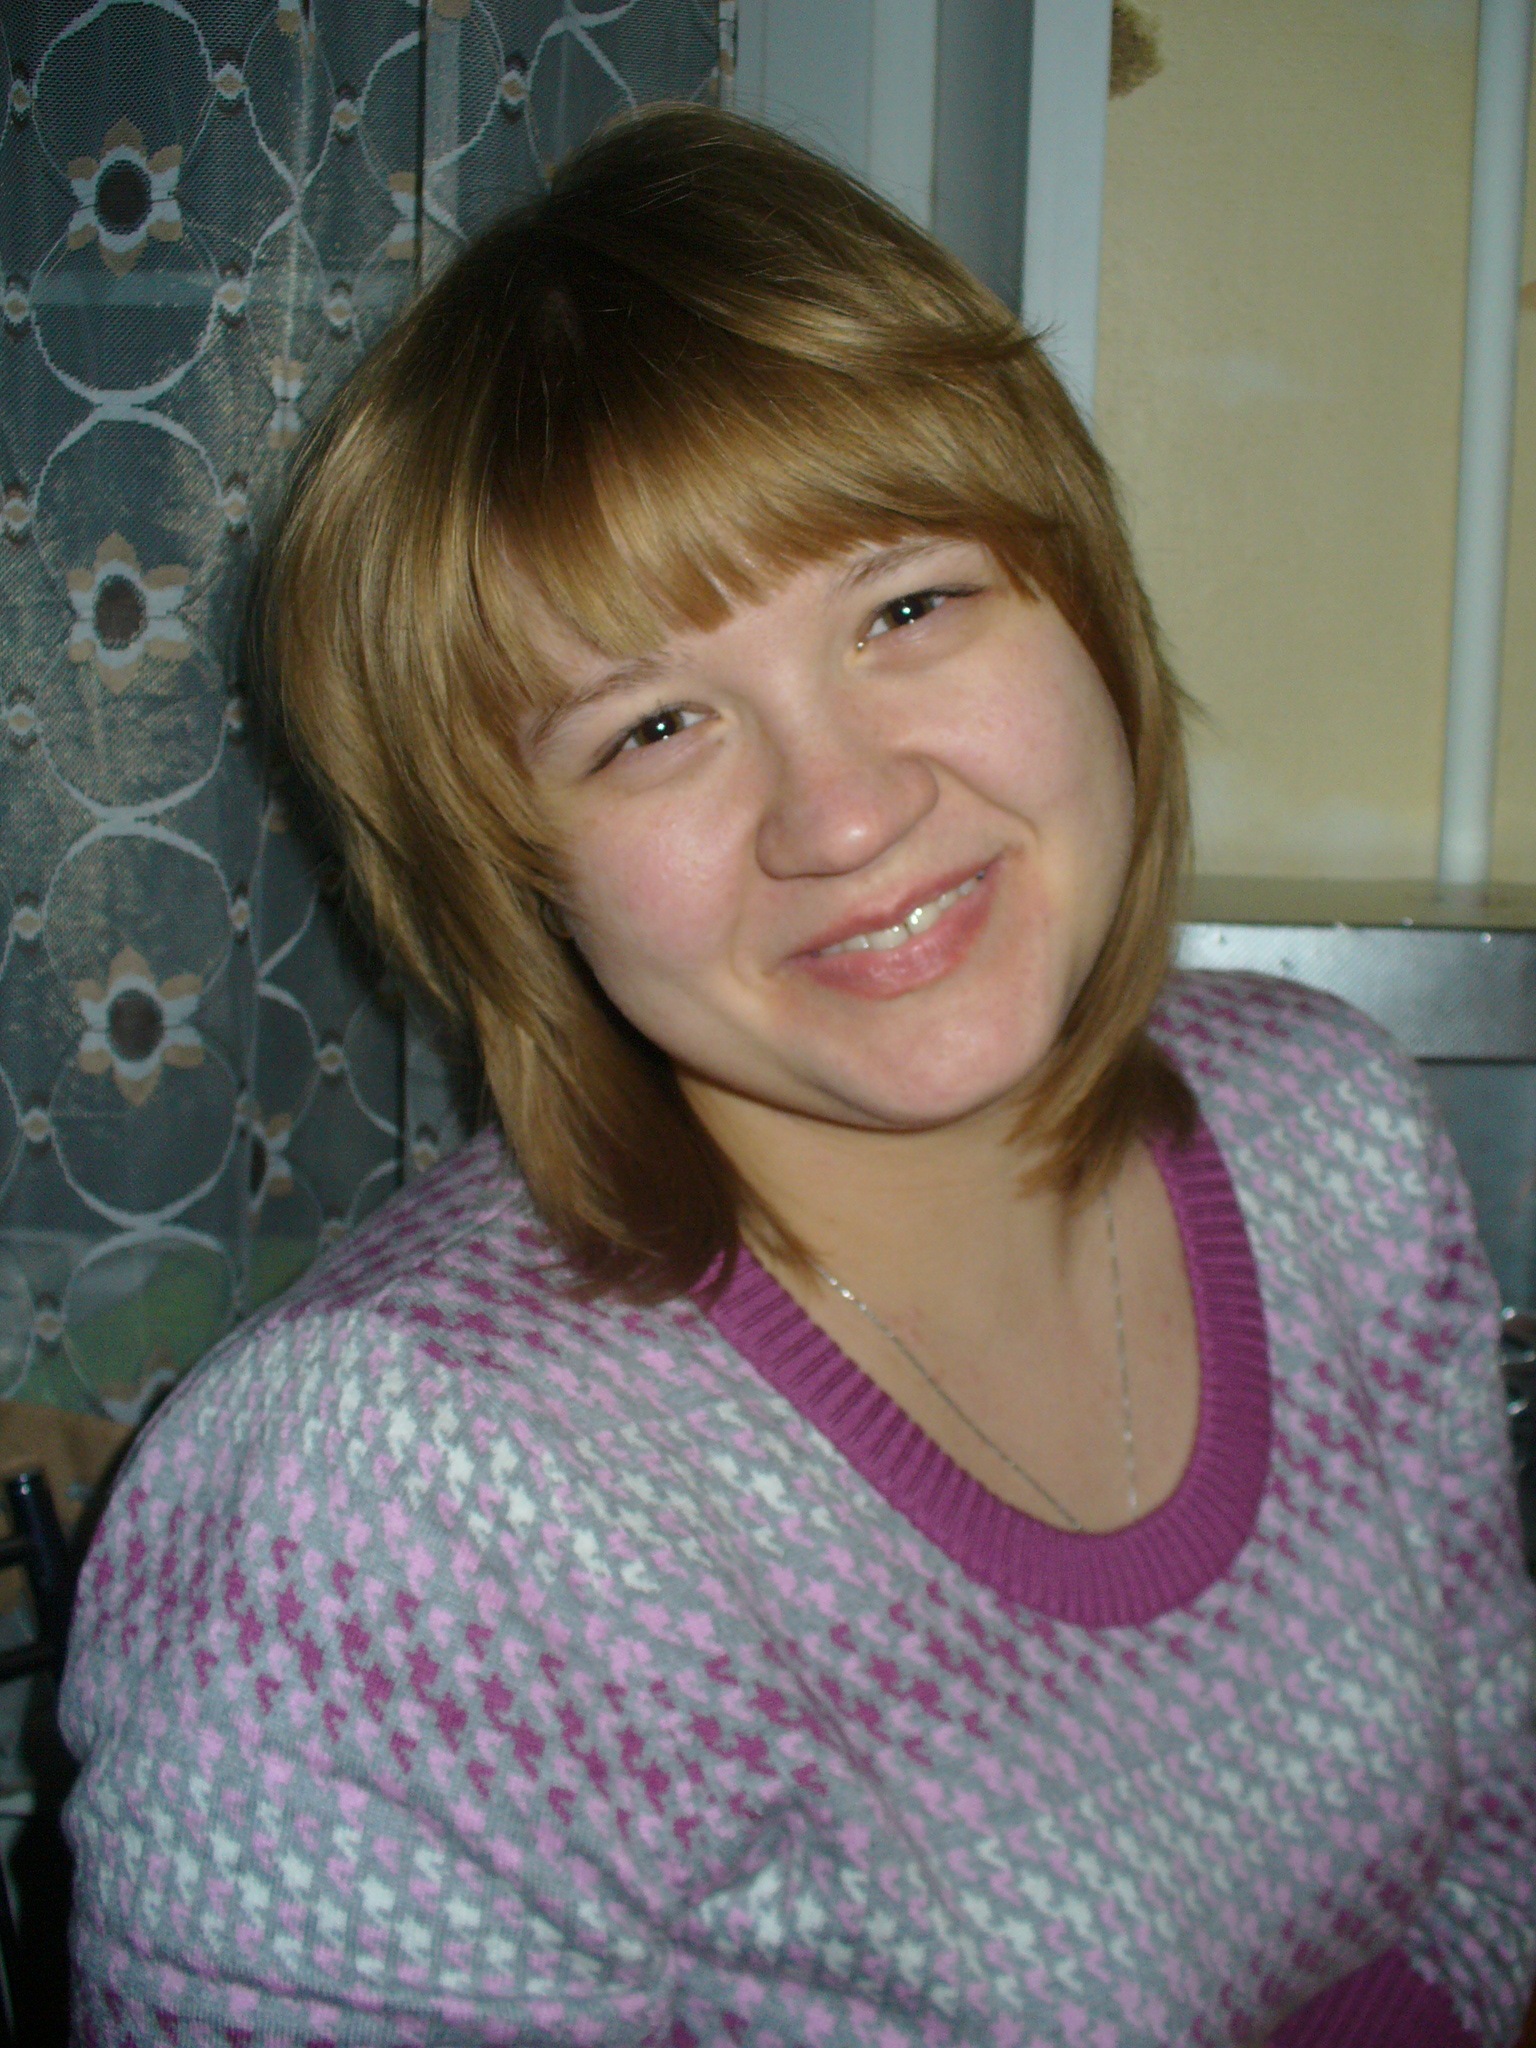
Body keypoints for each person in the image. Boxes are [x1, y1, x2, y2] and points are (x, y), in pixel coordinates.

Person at [61, 105, 1536, 2047]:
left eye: (908, 607)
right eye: (652, 727)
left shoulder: (1330, 1134)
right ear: (515, 874)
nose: (843, 814)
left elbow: (1488, 1857)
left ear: (1086, 604)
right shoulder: (398, 1503)